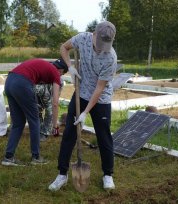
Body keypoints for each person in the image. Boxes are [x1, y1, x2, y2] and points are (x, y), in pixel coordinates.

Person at [49, 21, 117, 191]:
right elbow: (64, 47)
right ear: (93, 35)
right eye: (99, 44)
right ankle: (62, 174)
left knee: (104, 136)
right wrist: (70, 67)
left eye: (105, 45)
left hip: (101, 99)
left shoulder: (111, 58)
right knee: (69, 134)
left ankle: (108, 175)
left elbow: (100, 88)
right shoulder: (82, 39)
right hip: (81, 94)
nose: (102, 48)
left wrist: (85, 113)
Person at [1, 58, 68, 166]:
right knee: (35, 121)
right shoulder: (55, 73)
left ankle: (8, 157)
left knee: (18, 123)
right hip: (22, 83)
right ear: (61, 71)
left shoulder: (45, 65)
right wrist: (54, 126)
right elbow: (55, 103)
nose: (59, 77)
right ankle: (35, 157)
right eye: (61, 75)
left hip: (9, 82)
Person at [34, 77, 64, 141]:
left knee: (50, 110)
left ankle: (44, 132)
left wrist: (55, 126)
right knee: (37, 110)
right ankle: (39, 130)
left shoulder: (60, 81)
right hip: (39, 90)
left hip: (48, 92)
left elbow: (56, 100)